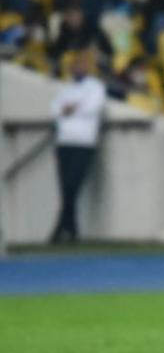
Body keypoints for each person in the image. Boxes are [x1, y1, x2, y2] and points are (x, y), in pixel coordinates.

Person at [49, 48, 105, 244]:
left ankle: (61, 230)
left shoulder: (95, 87)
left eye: (81, 64)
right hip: (64, 142)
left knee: (72, 186)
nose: (77, 68)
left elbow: (91, 108)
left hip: (84, 143)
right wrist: (70, 109)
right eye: (75, 65)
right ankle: (70, 230)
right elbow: (55, 110)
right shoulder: (66, 88)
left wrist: (70, 109)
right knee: (65, 187)